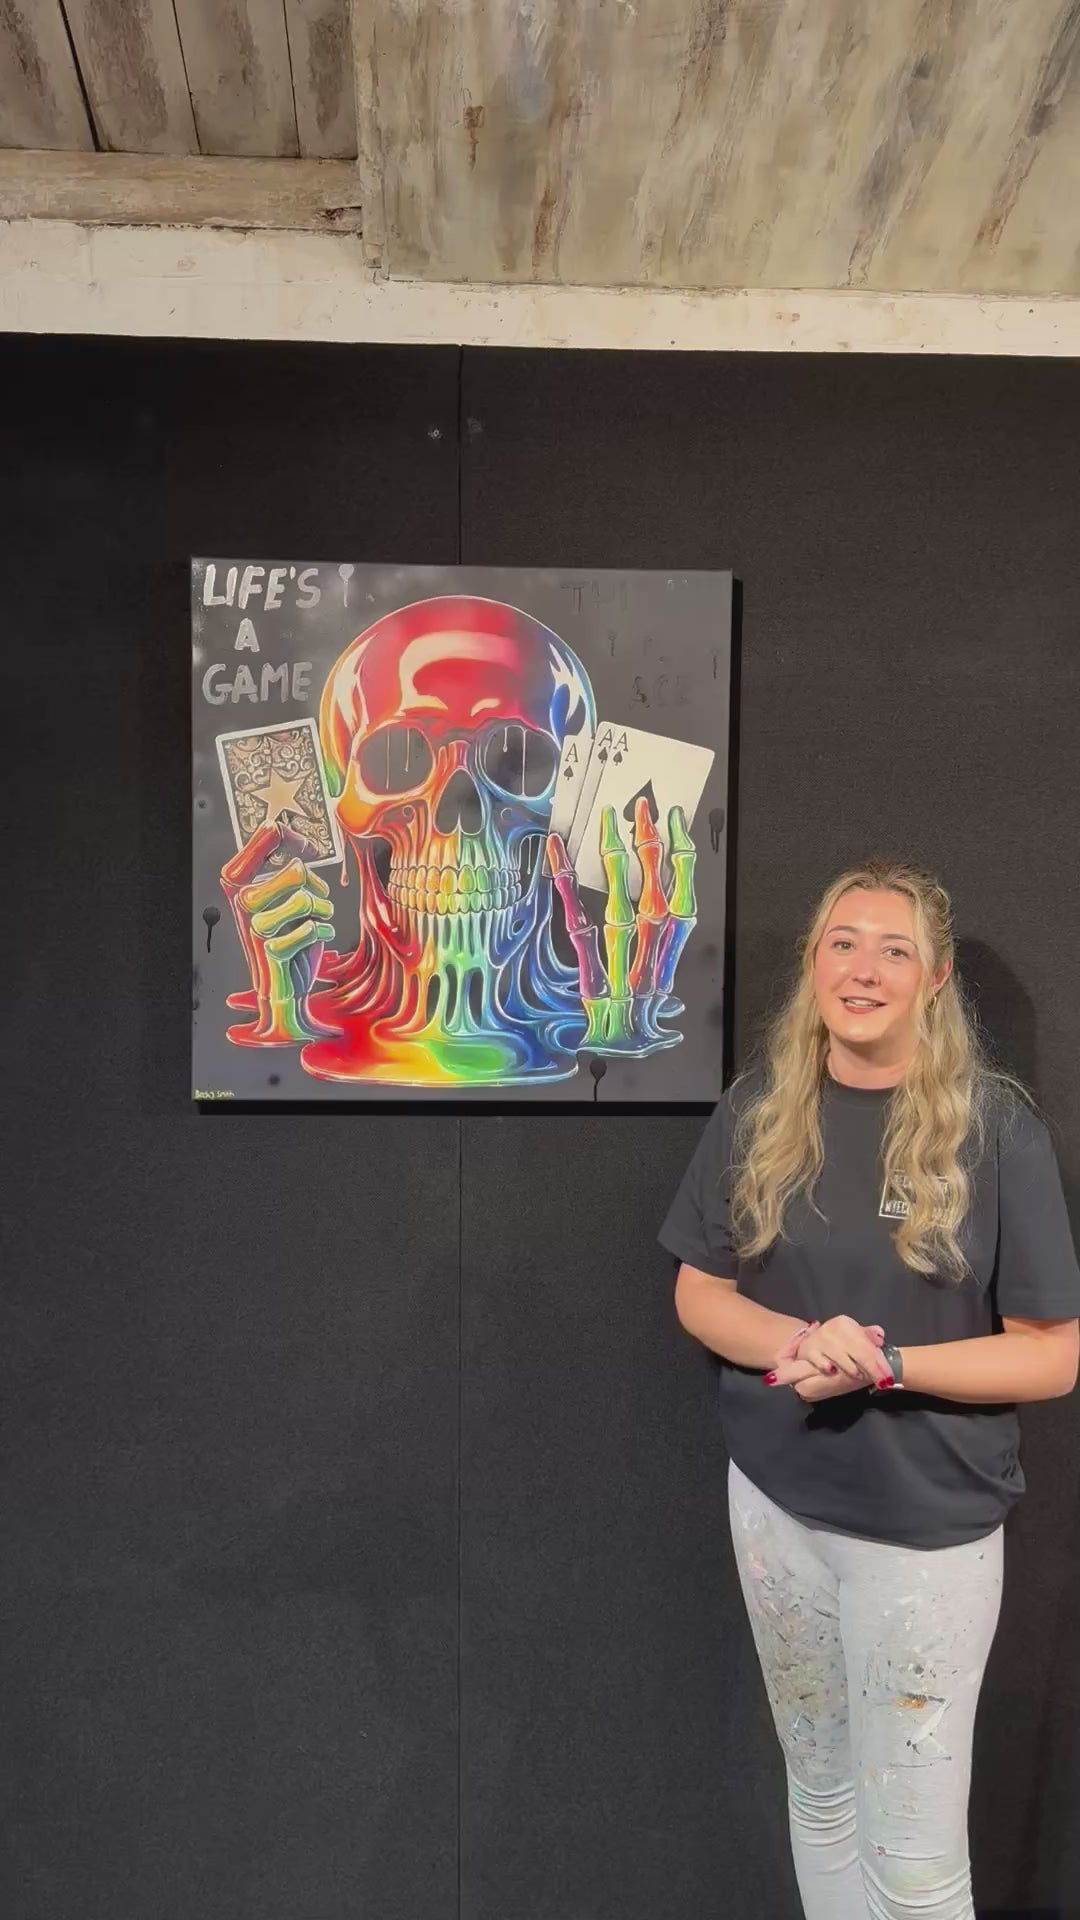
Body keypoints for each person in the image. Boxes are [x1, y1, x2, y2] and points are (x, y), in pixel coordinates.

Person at [659, 861, 1080, 1920]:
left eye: (895, 951)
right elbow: (701, 1292)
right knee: (824, 1796)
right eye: (843, 943)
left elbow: (1050, 1356)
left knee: (917, 1860)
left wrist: (888, 1365)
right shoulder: (759, 1111)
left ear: (934, 978)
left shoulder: (997, 1132)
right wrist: (807, 1341)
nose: (864, 970)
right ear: (813, 962)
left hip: (923, 1539)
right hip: (777, 1508)